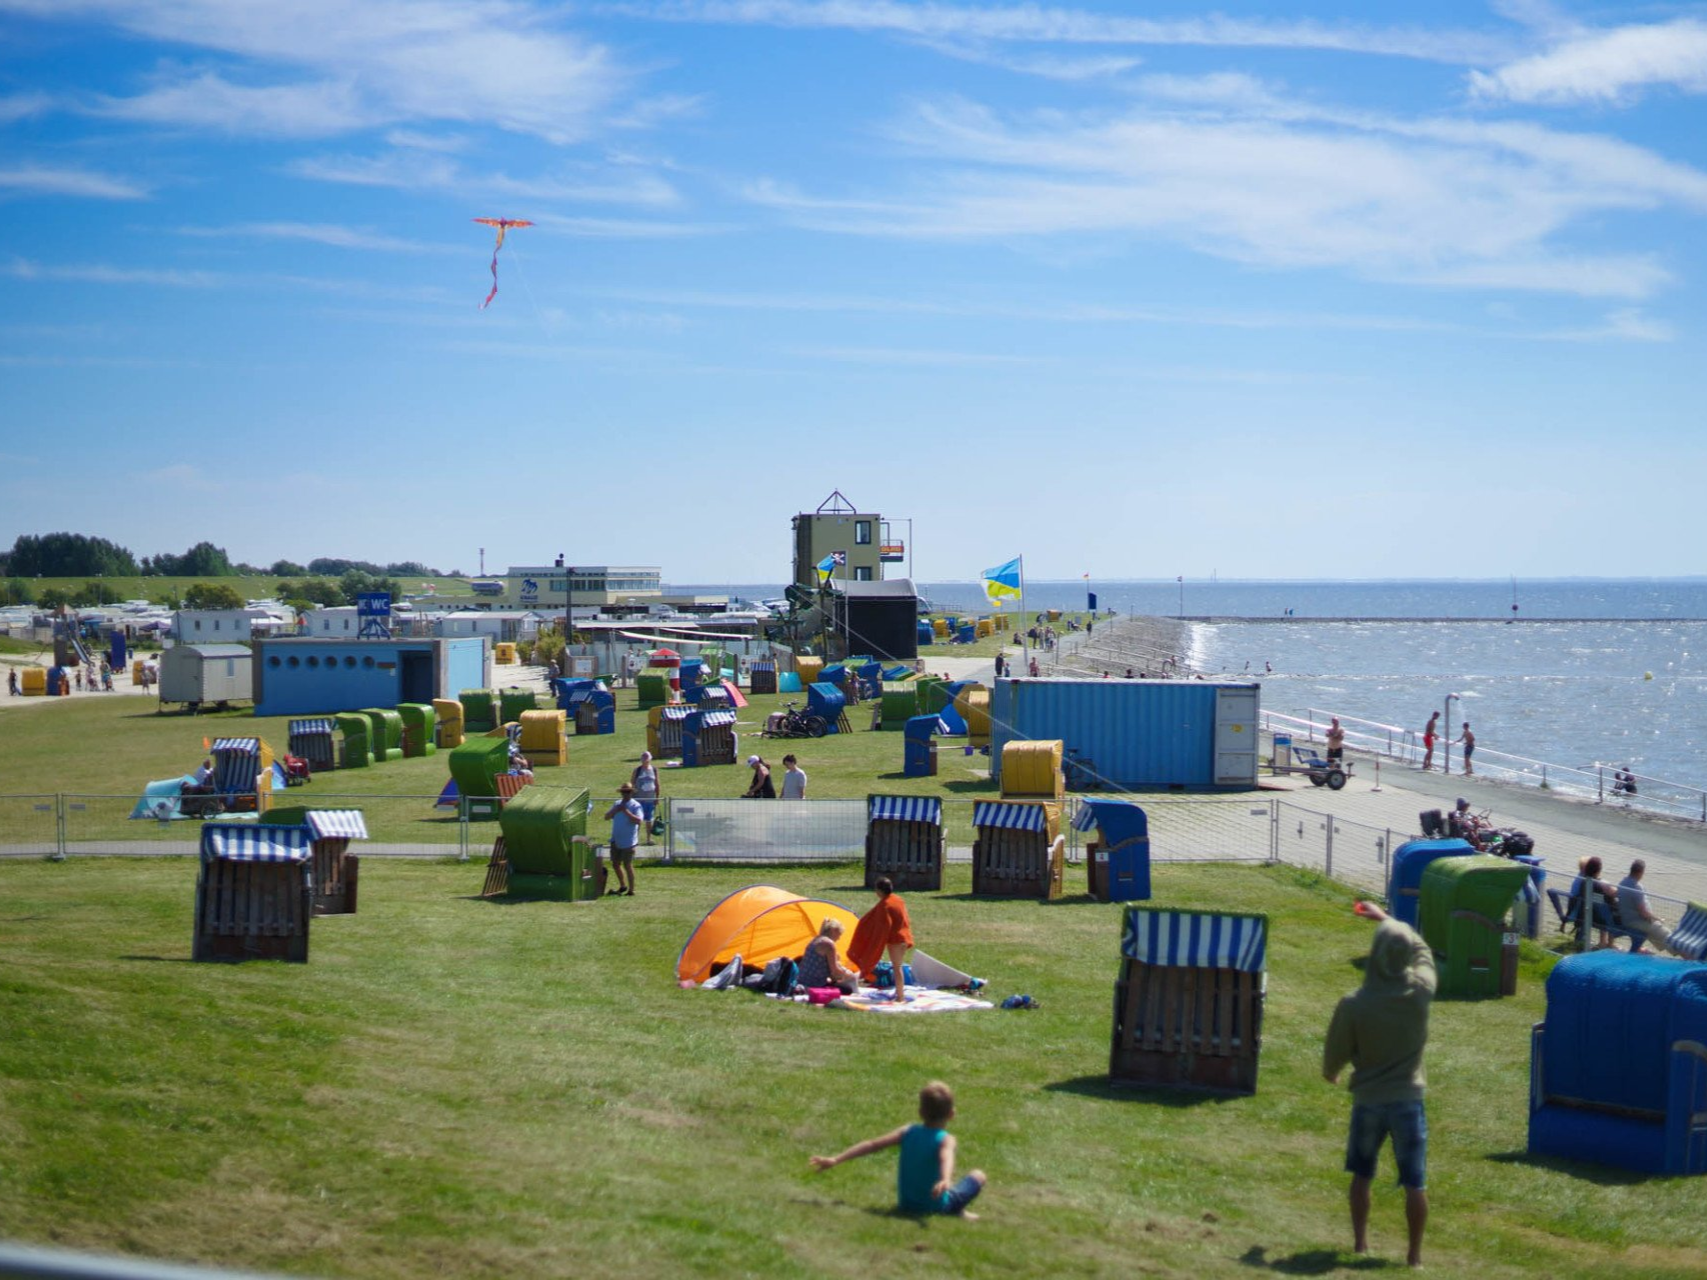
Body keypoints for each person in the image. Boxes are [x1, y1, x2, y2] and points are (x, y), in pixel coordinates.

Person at [1323, 901, 1436, 1269]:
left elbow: (1335, 1052)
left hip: (1369, 1099)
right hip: (1409, 1098)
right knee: (1415, 1182)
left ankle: (1359, 1244)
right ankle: (1414, 1257)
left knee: (1362, 1175)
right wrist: (1390, 920)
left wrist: (1333, 1071)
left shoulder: (1355, 1004)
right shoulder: (1421, 991)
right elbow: (1422, 950)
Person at [810, 1082, 986, 1219]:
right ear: (952, 1114)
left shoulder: (907, 1132)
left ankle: (959, 1212)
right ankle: (956, 1211)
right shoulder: (946, 1140)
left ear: (920, 1111)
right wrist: (946, 1179)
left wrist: (836, 1159)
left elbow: (872, 1145)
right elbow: (946, 1157)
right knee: (978, 1175)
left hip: (906, 1205)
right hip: (936, 1207)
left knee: (950, 1191)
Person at [848, 876, 914, 1001]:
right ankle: (900, 994)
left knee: (897, 967)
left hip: (896, 940)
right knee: (898, 966)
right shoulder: (898, 900)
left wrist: (874, 946)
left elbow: (882, 928)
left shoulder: (885, 906)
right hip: (904, 937)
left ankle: (900, 997)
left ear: (879, 891)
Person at [1617, 859, 1675, 955]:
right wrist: (1658, 919)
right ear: (1641, 872)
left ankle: (1670, 950)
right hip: (1637, 921)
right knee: (1666, 934)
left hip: (1628, 919)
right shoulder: (1636, 887)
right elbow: (1643, 913)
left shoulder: (1622, 883)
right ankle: (1688, 957)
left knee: (1656, 933)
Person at [797, 917, 860, 994]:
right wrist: (848, 975)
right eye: (839, 934)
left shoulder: (816, 939)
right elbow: (835, 971)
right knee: (847, 989)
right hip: (814, 983)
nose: (839, 938)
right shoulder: (829, 944)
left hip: (802, 979)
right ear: (833, 931)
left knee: (838, 982)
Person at [1567, 855, 1619, 948]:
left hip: (1591, 915)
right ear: (1599, 870)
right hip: (1604, 918)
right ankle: (1610, 944)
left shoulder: (1584, 882)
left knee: (1603, 907)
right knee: (1612, 909)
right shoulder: (1603, 883)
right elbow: (1617, 893)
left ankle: (1602, 942)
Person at [603, 781, 643, 896]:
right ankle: (622, 885)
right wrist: (616, 810)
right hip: (616, 839)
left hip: (629, 841)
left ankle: (631, 890)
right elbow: (606, 817)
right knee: (615, 864)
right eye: (624, 792)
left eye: (628, 792)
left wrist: (625, 811)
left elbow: (639, 820)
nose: (626, 794)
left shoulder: (635, 805)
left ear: (631, 793)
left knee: (627, 865)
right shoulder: (617, 804)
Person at [630, 750, 661, 845]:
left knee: (649, 820)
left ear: (650, 760)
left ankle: (648, 839)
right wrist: (631, 798)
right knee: (637, 820)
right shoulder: (637, 770)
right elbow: (632, 784)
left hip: (650, 799)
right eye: (643, 760)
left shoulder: (654, 770)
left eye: (647, 760)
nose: (645, 762)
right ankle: (635, 840)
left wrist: (657, 797)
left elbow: (657, 784)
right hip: (638, 799)